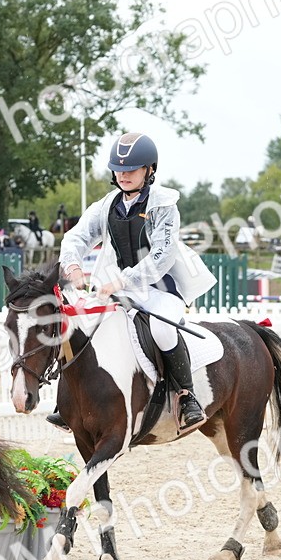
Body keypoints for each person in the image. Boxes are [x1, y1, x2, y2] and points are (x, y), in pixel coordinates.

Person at [46, 132, 217, 433]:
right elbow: (77, 236)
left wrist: (120, 281)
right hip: (118, 289)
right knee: (82, 324)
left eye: (132, 169)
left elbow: (162, 257)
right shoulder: (107, 205)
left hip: (159, 288)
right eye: (119, 169)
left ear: (149, 170)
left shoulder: (164, 205)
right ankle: (69, 402)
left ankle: (187, 396)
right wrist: (73, 265)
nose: (123, 175)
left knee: (163, 330)